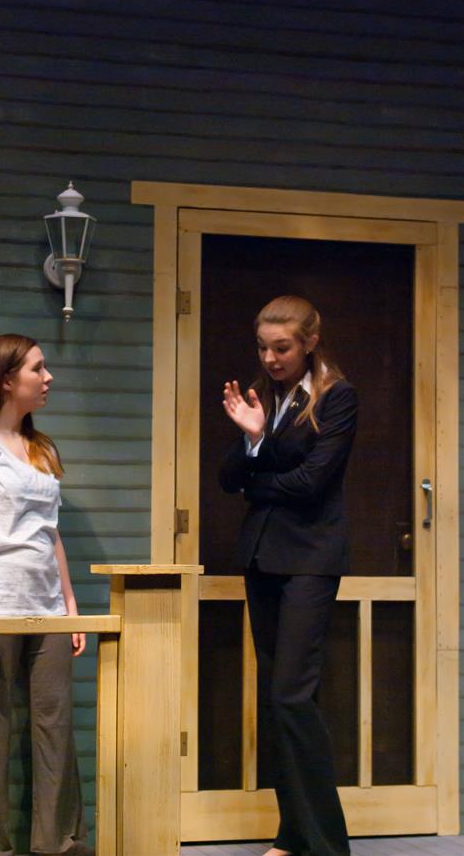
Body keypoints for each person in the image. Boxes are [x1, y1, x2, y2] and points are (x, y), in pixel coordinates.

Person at [0, 334, 94, 856]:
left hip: (45, 607)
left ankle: (59, 845)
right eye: (38, 368)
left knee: (55, 728)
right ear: (7, 379)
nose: (48, 378)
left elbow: (50, 535)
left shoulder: (41, 447)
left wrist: (71, 609)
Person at [219, 296, 357, 856]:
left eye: (282, 348)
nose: (271, 358)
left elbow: (311, 484)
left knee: (293, 697)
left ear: (308, 344)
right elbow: (229, 478)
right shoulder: (266, 396)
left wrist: (262, 465)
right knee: (278, 700)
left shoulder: (337, 397)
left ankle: (327, 845)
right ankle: (294, 832)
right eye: (264, 348)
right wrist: (253, 440)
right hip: (263, 557)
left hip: (309, 560)